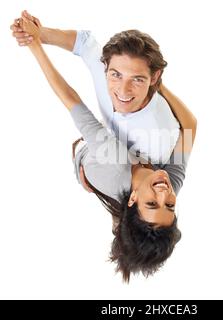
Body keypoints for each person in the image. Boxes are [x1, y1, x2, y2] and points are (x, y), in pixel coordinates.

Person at [13, 12, 197, 282]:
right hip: (127, 162)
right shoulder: (171, 184)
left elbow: (72, 101)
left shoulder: (112, 162)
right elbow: (190, 126)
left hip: (89, 159)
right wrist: (159, 86)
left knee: (123, 140)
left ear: (133, 199)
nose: (163, 193)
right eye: (169, 205)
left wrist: (35, 45)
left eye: (151, 202)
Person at [11, 10, 181, 165]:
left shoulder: (158, 140)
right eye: (116, 75)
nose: (123, 90)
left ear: (155, 77)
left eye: (137, 79)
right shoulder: (106, 66)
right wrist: (38, 33)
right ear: (106, 66)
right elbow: (84, 42)